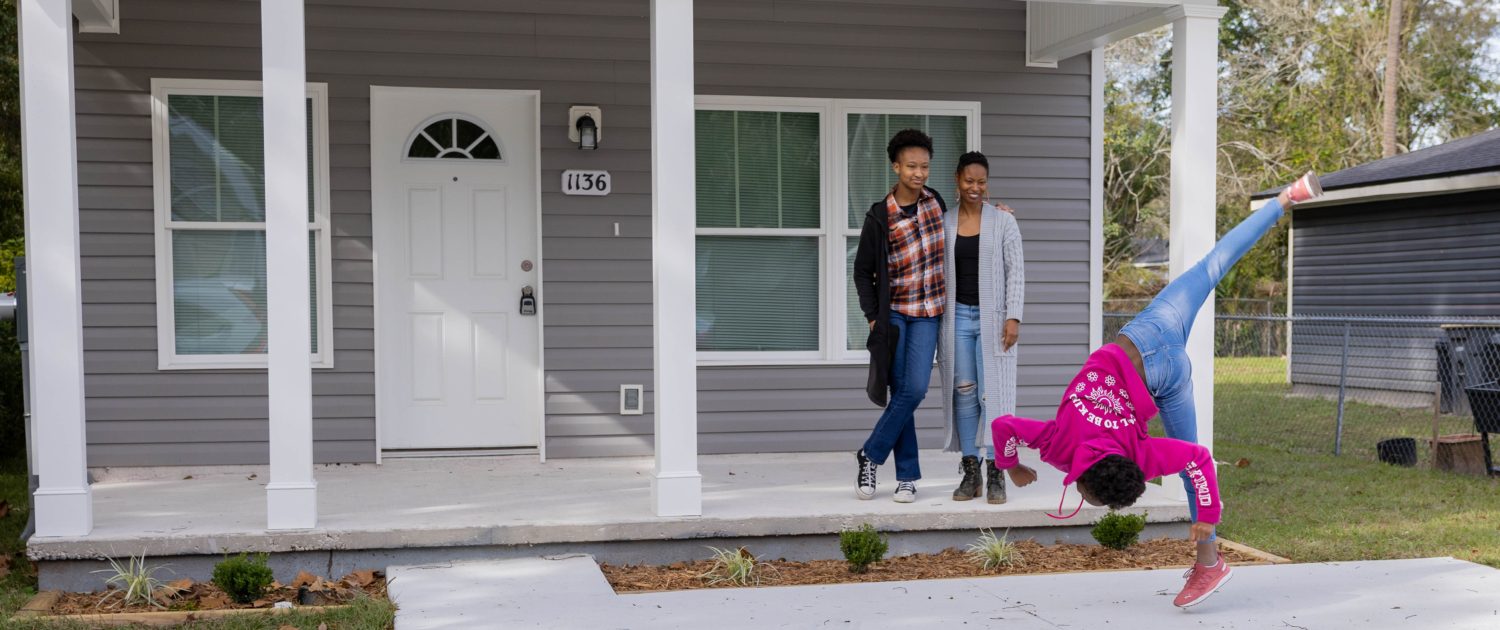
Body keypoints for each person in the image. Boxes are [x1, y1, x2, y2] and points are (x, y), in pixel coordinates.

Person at [990, 172, 1323, 608]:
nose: (1092, 503)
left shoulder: (1138, 458)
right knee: (1213, 263)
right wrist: (1010, 464)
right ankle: (1285, 198)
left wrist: (1208, 517)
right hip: (1147, 337)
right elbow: (1003, 425)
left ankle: (1209, 561)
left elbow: (1200, 462)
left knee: (1213, 267)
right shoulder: (1058, 446)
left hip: (1165, 358)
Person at [853, 129, 948, 503]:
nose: (919, 173)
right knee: (900, 392)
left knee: (915, 390)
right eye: (911, 166)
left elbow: (969, 217)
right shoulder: (880, 216)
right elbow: (862, 271)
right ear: (896, 166)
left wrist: (998, 215)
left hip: (928, 312)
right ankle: (907, 476)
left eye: (924, 166)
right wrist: (872, 316)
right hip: (894, 314)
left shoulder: (936, 203)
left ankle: (870, 454)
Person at [936, 152, 1025, 503]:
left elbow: (1015, 271)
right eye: (969, 180)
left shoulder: (1003, 222)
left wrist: (1013, 317)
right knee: (964, 393)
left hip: (994, 319)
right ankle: (970, 471)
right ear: (957, 180)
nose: (975, 187)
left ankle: (995, 469)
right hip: (956, 319)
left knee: (995, 394)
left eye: (981, 181)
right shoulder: (944, 223)